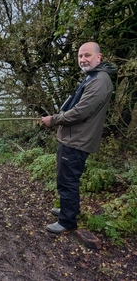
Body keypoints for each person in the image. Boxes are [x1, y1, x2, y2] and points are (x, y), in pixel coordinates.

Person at [41, 42, 117, 234]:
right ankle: (69, 210)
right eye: (80, 56)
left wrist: (54, 120)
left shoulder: (99, 81)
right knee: (65, 178)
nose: (83, 59)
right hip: (72, 138)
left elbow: (79, 113)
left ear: (98, 57)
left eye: (87, 55)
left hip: (77, 141)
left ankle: (67, 221)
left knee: (68, 180)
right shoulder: (92, 77)